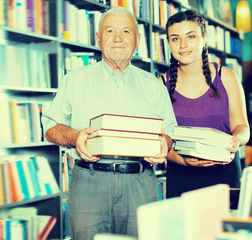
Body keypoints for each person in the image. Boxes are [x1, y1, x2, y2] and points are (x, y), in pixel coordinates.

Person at [42, 7, 177, 239]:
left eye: (125, 31)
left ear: (137, 40)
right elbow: (51, 128)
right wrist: (76, 137)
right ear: (98, 38)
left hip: (140, 183)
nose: (117, 38)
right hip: (89, 183)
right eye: (109, 30)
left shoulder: (154, 85)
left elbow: (169, 132)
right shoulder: (74, 80)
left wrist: (164, 144)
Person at [160, 10, 250, 198]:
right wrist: (184, 160)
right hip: (181, 176)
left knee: (225, 228)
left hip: (224, 173)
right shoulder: (161, 84)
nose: (183, 45)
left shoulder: (226, 77)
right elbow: (160, 142)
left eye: (191, 36)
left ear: (204, 38)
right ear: (168, 43)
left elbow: (242, 127)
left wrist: (237, 140)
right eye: (175, 39)